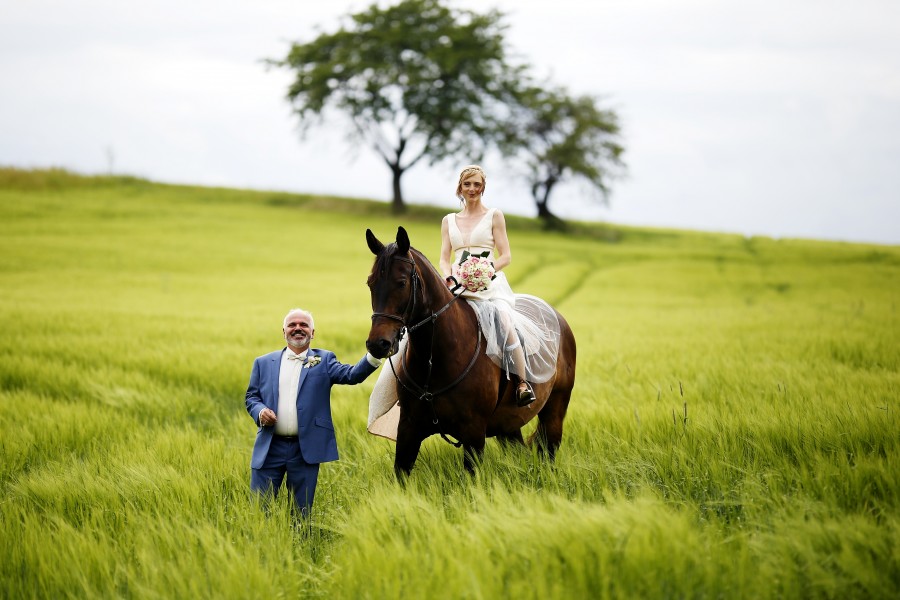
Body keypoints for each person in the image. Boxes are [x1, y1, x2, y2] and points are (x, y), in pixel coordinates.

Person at [439, 164, 559, 407]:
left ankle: (522, 384)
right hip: (457, 285)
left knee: (504, 322)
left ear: (483, 187)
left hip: (489, 285)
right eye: (467, 184)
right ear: (460, 188)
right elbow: (444, 257)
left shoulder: (494, 215)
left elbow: (505, 255)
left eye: (476, 184)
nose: (472, 189)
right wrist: (449, 274)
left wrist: (486, 271)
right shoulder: (448, 220)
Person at [245, 307, 381, 517]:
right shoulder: (263, 363)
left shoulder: (324, 360)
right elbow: (252, 397)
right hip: (270, 448)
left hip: (305, 449)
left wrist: (374, 355)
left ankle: (299, 547)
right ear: (283, 331)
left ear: (312, 332)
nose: (298, 328)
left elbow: (352, 375)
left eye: (304, 325)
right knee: (259, 512)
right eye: (292, 325)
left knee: (300, 514)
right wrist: (260, 411)